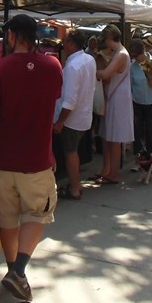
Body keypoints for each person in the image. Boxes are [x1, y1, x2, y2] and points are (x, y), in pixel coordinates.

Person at [0, 14, 63, 302]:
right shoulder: (52, 67)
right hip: (36, 158)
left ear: (11, 37)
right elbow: (52, 102)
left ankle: (15, 271)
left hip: (1, 159)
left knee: (7, 219)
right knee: (37, 213)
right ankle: (18, 271)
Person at [54, 29, 96, 201]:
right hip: (83, 114)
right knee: (73, 151)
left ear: (72, 44)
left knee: (70, 152)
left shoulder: (73, 66)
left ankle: (74, 188)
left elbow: (70, 100)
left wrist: (60, 122)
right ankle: (75, 185)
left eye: (65, 41)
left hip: (72, 118)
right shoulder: (88, 59)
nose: (62, 44)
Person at [93, 24, 133, 185]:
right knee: (108, 136)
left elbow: (106, 74)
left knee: (114, 137)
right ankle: (108, 170)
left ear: (110, 38)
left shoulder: (121, 54)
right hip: (114, 94)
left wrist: (90, 69)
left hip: (118, 96)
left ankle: (113, 173)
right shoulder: (119, 53)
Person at [127, 38, 152, 171]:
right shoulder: (133, 67)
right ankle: (140, 160)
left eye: (137, 56)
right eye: (133, 56)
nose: (135, 58)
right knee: (137, 132)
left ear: (142, 52)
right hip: (137, 102)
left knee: (151, 133)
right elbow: (130, 86)